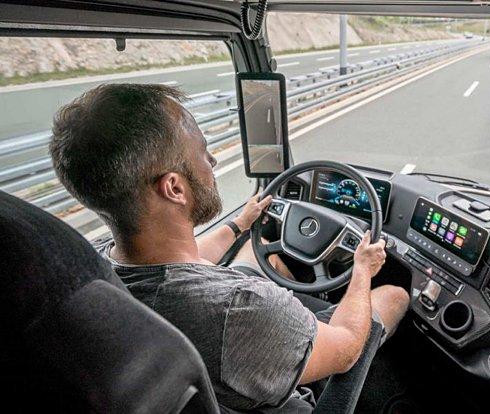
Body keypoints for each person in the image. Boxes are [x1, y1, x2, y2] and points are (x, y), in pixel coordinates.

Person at [49, 83, 410, 411]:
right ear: (174, 188)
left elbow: (183, 264)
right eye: (203, 152)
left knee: (257, 247)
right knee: (393, 295)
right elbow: (347, 347)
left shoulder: (96, 268)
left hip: (221, 366)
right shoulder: (241, 308)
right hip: (281, 388)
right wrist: (362, 269)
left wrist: (239, 224)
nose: (213, 162)